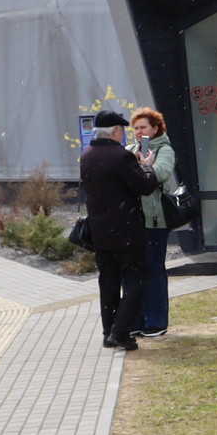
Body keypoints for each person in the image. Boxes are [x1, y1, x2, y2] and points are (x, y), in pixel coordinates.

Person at [76, 108, 154, 349]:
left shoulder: (86, 156)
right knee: (137, 280)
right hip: (127, 230)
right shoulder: (121, 156)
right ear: (117, 131)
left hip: (100, 232)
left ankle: (108, 331)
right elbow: (145, 186)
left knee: (108, 282)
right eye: (122, 130)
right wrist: (147, 166)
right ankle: (120, 331)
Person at [127, 106, 183, 335]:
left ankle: (156, 322)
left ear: (156, 128)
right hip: (130, 222)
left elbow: (160, 173)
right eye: (135, 128)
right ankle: (135, 321)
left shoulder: (164, 149)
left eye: (143, 127)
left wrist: (146, 166)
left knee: (153, 270)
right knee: (132, 272)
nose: (139, 132)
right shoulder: (129, 150)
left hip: (154, 220)